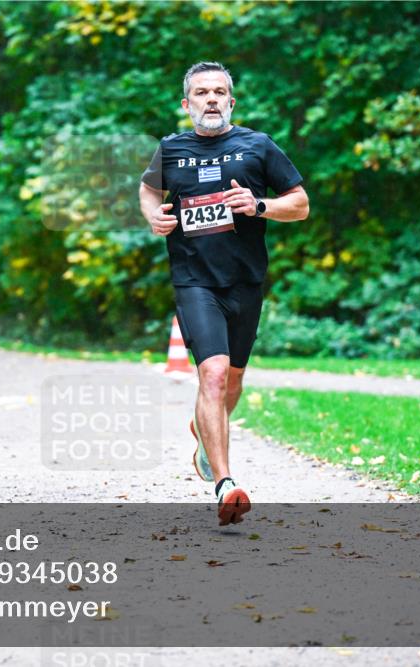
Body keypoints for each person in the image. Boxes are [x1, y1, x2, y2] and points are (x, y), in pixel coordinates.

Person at [138, 62, 310, 525]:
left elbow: (300, 204)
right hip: (194, 280)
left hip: (246, 281)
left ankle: (203, 432)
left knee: (232, 380)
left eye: (218, 92)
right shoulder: (171, 150)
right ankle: (225, 483)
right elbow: (148, 190)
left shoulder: (257, 145)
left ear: (231, 102)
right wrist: (153, 217)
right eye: (201, 92)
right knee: (211, 375)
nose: (210, 99)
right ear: (186, 104)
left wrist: (258, 205)